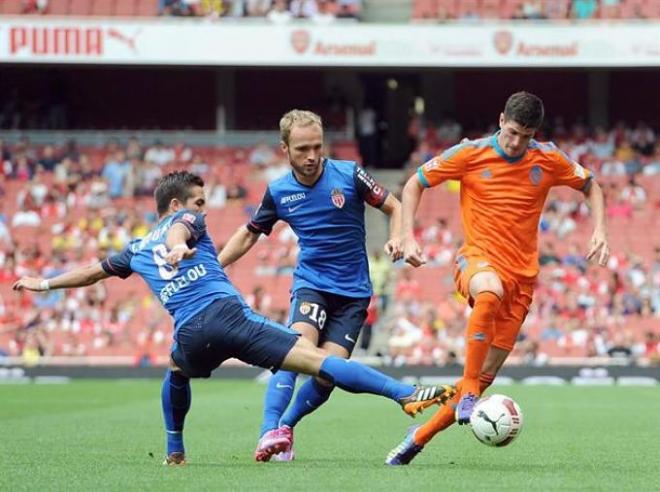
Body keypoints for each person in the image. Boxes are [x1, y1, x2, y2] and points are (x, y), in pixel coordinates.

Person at [12, 170, 453, 466]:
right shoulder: (184, 220)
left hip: (189, 333)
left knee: (176, 370)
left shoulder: (136, 248)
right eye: (199, 202)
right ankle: (403, 394)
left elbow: (95, 271)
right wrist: (182, 240)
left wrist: (45, 284)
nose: (203, 210)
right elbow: (182, 228)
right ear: (175, 204)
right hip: (227, 317)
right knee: (313, 358)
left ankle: (175, 450)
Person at [386, 91, 610, 465]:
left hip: (522, 280)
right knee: (489, 291)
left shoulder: (548, 158)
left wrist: (600, 229)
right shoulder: (470, 153)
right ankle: (470, 389)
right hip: (477, 261)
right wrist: (408, 234)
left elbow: (591, 185)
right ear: (500, 120)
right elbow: (414, 183)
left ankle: (419, 437)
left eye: (526, 135)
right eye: (511, 132)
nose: (516, 142)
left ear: (534, 133)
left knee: (486, 373)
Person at [218, 109, 405, 462]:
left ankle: (284, 429)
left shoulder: (349, 174)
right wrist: (217, 266)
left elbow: (393, 206)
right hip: (313, 283)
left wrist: (398, 238)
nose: (311, 156)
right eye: (302, 148)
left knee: (327, 374)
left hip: (353, 293)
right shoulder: (279, 192)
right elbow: (250, 233)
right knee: (295, 352)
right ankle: (266, 432)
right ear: (285, 149)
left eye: (317, 147)